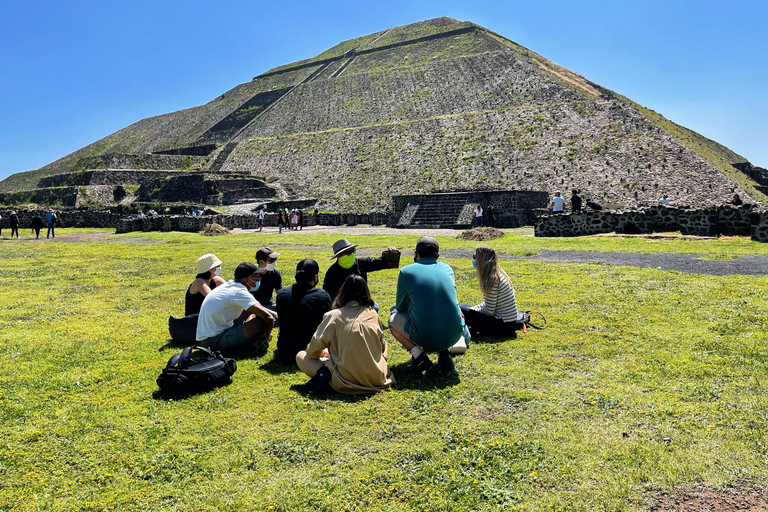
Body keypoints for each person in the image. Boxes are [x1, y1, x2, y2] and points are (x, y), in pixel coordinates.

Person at [297, 275, 394, 394]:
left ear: (342, 292)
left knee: (300, 356)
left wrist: (324, 354)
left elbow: (312, 352)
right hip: (376, 378)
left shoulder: (333, 316)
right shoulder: (373, 313)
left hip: (345, 380)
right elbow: (382, 349)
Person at [388, 236, 467, 374]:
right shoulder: (448, 269)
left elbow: (400, 306)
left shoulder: (406, 272)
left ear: (415, 254)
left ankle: (418, 356)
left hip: (425, 336)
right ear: (438, 255)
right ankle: (444, 353)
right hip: (454, 334)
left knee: (392, 319)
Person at [196, 262, 277, 355]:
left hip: (206, 338)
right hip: (213, 341)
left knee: (253, 313)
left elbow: (254, 309)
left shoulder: (230, 285)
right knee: (261, 322)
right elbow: (268, 318)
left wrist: (274, 314)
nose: (258, 281)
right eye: (256, 278)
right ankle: (249, 345)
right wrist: (267, 333)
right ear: (247, 279)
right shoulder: (239, 291)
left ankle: (246, 339)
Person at [275, 259, 333, 364]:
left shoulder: (282, 294)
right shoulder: (322, 296)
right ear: (315, 277)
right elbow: (330, 323)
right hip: (312, 351)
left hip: (285, 351)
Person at [460, 246, 520, 337]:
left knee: (460, 309)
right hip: (508, 324)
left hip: (502, 327)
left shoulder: (491, 280)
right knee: (466, 307)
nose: (474, 260)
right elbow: (489, 304)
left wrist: (474, 310)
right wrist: (475, 308)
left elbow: (489, 311)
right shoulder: (497, 275)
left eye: (475, 257)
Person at [323, 238, 398, 302]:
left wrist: (391, 253)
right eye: (349, 252)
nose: (352, 254)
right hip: (342, 304)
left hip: (362, 302)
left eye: (353, 250)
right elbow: (328, 294)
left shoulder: (362, 263)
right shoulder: (332, 272)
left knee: (375, 308)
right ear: (338, 256)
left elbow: (383, 262)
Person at [252, 247, 282, 312]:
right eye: (272, 261)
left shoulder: (275, 273)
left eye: (275, 260)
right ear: (261, 262)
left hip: (269, 305)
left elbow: (280, 293)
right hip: (253, 307)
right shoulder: (251, 275)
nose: (274, 263)